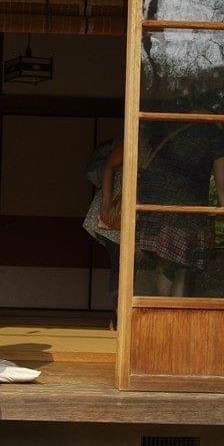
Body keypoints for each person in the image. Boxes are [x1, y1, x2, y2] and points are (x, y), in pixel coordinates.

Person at [135, 123, 224, 296]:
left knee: (166, 266)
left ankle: (161, 309)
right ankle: (172, 311)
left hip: (153, 203)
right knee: (182, 267)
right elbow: (223, 186)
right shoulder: (217, 135)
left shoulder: (167, 124)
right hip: (186, 208)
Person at [82, 139, 123, 329]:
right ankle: (118, 316)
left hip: (127, 214)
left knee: (121, 267)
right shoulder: (133, 140)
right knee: (120, 266)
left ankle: (119, 317)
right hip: (115, 213)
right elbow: (109, 165)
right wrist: (107, 204)